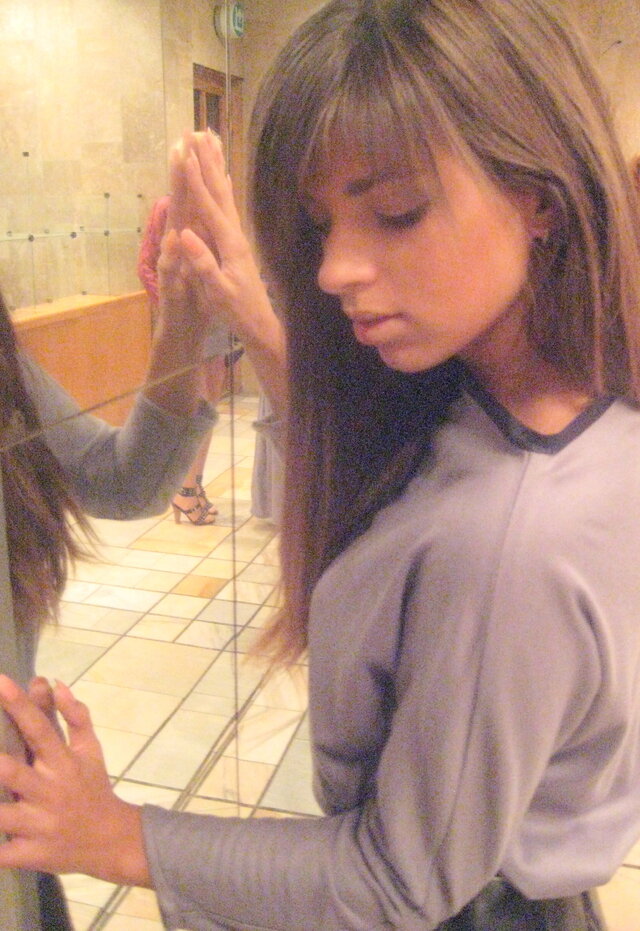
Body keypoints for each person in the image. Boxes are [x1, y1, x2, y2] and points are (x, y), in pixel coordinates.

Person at [1, 1, 640, 928]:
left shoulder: (510, 536)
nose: (336, 268)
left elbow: (399, 880)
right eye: (320, 224)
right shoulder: (514, 397)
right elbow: (370, 490)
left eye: (397, 212)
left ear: (539, 193)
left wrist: (121, 836)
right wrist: (230, 307)